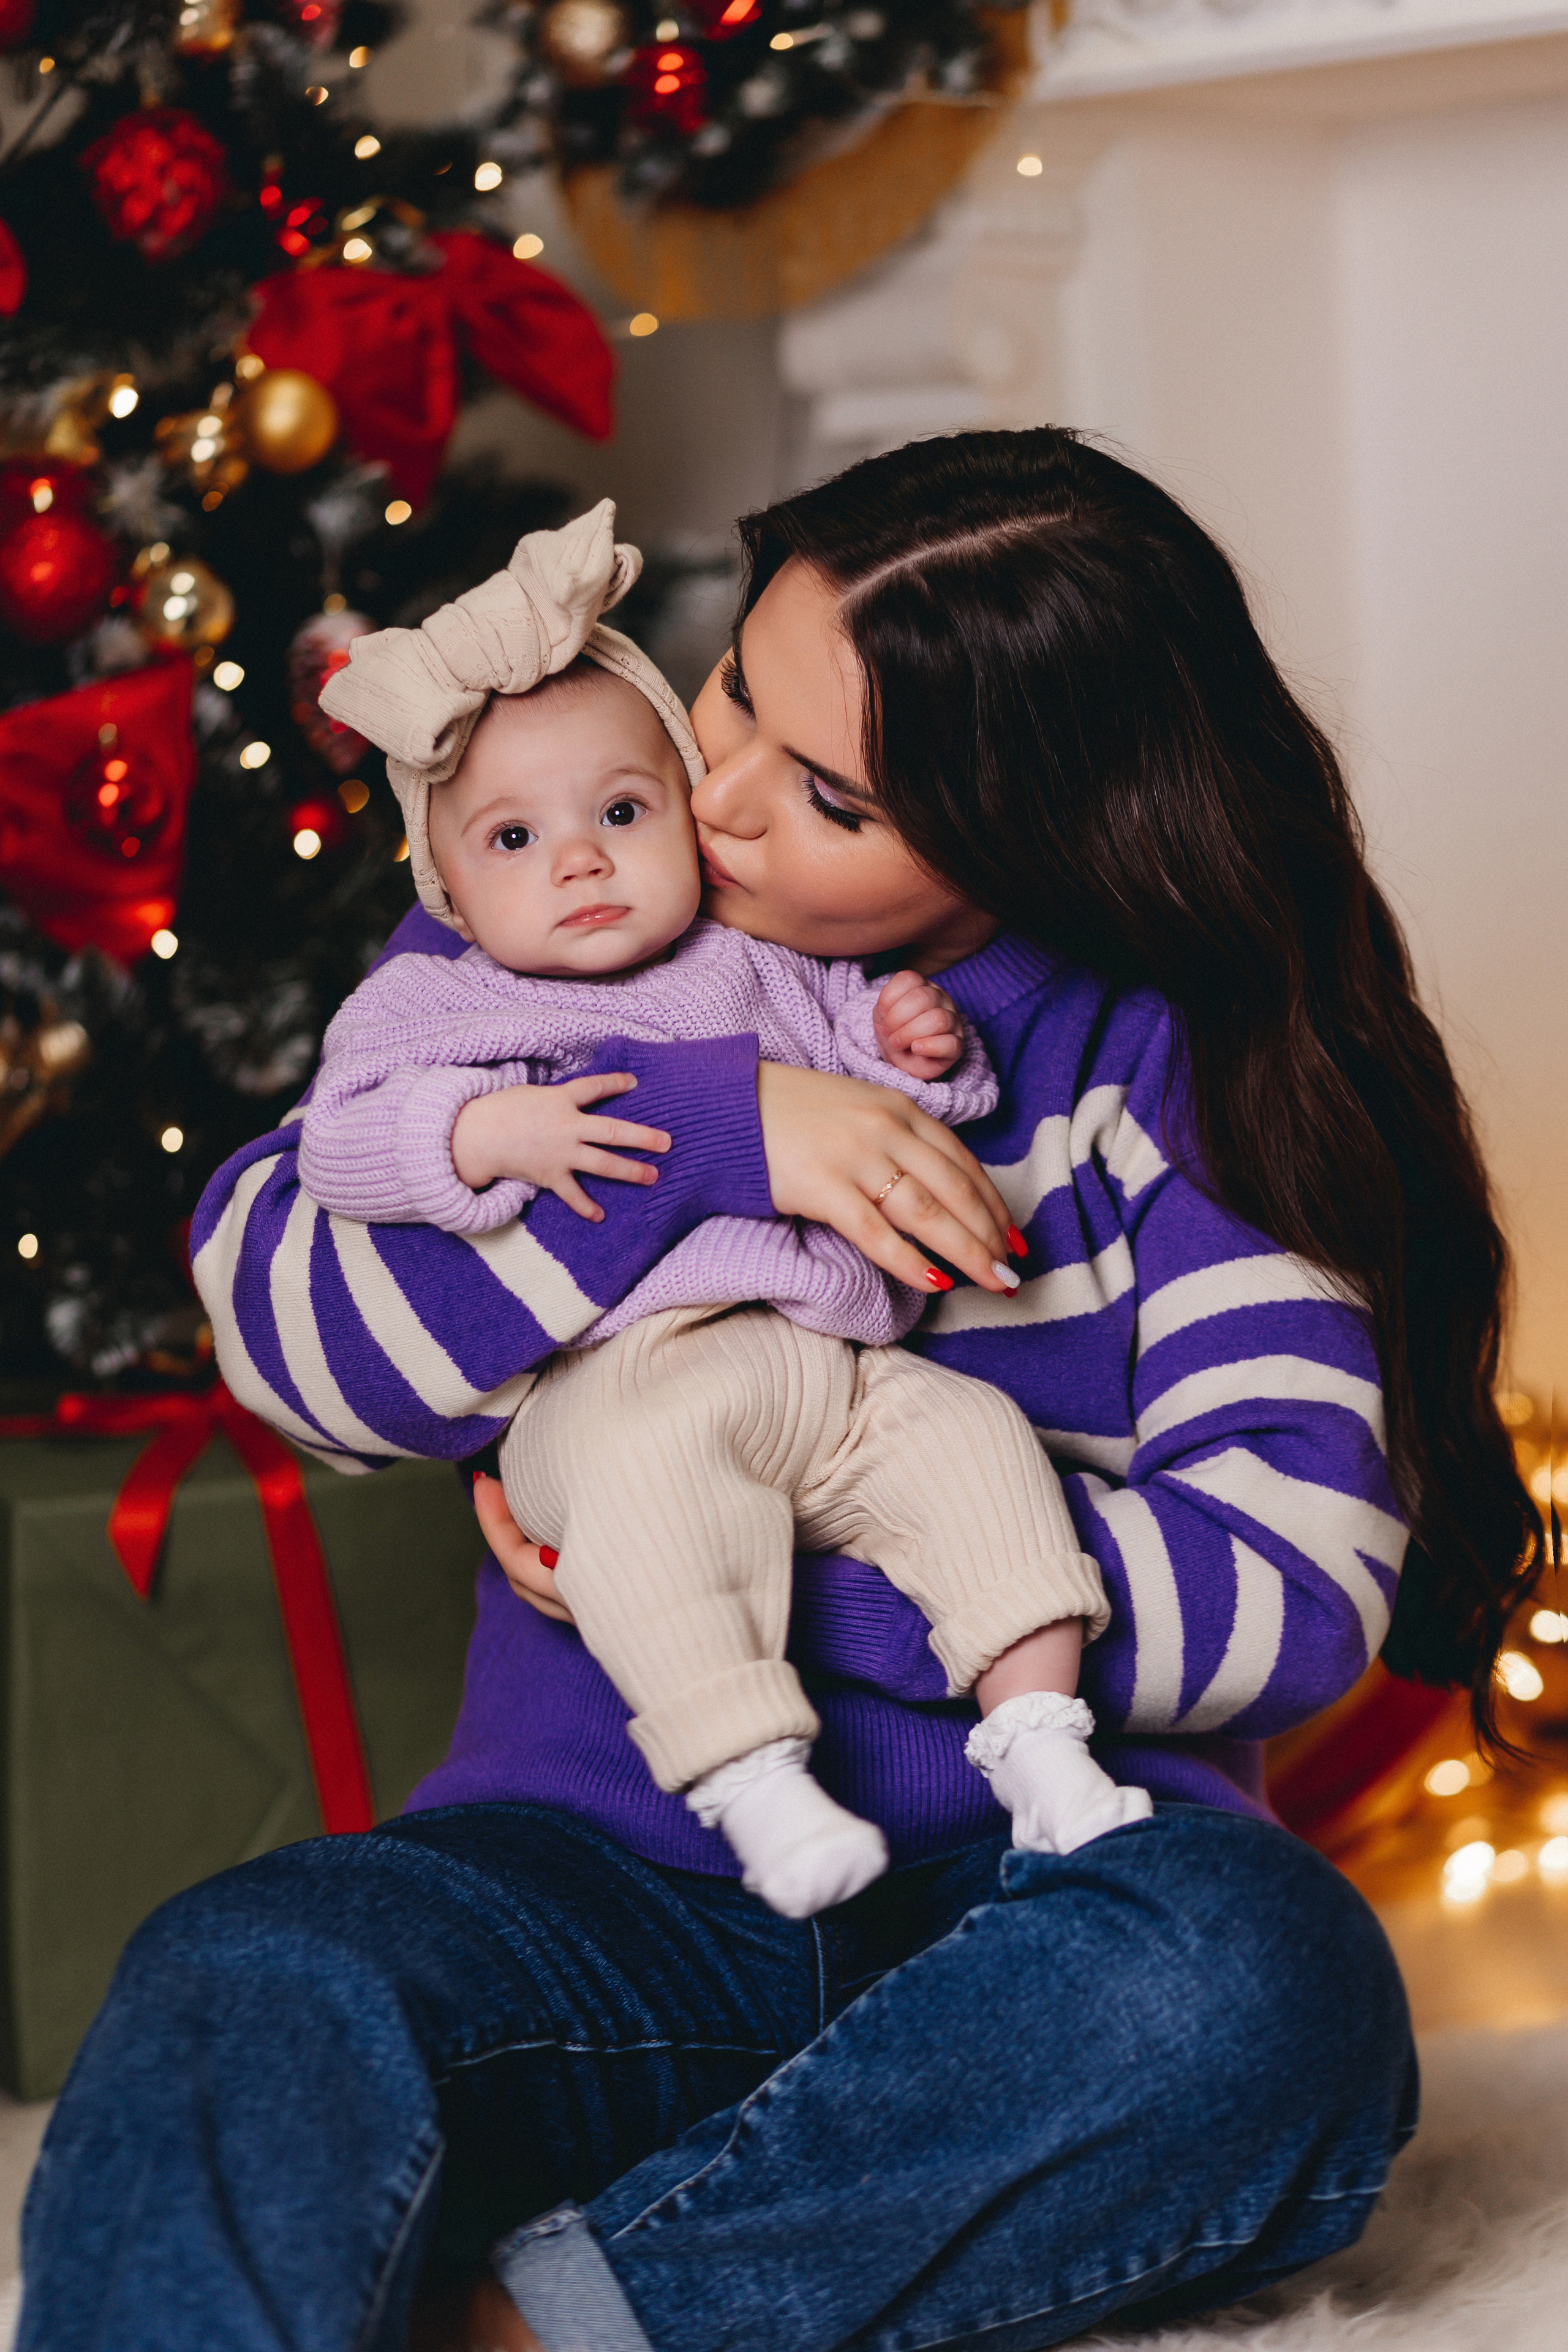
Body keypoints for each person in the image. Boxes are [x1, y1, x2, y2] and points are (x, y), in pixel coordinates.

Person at [19, 429, 1534, 2352]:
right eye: (734, 685)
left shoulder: (1183, 1076)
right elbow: (285, 1322)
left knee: (1266, 1986)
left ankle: (547, 2324)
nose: (712, 801)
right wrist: (715, 1135)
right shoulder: (573, 919)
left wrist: (735, 1552)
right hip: (605, 1885)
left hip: (1029, 1917)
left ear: (1036, 835)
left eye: (823, 792)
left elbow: (1297, 1578)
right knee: (248, 1968)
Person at [297, 500, 1141, 1915]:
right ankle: (754, 1780)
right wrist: (486, 1129)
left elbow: (893, 1120)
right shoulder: (445, 989)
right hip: (629, 1383)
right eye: (512, 838)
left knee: (978, 1446)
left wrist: (911, 1048)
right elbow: (340, 1145)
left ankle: (1041, 1743)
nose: (577, 860)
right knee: (653, 1502)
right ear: (444, 882)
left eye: (623, 812)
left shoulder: (751, 954)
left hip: (833, 1376)